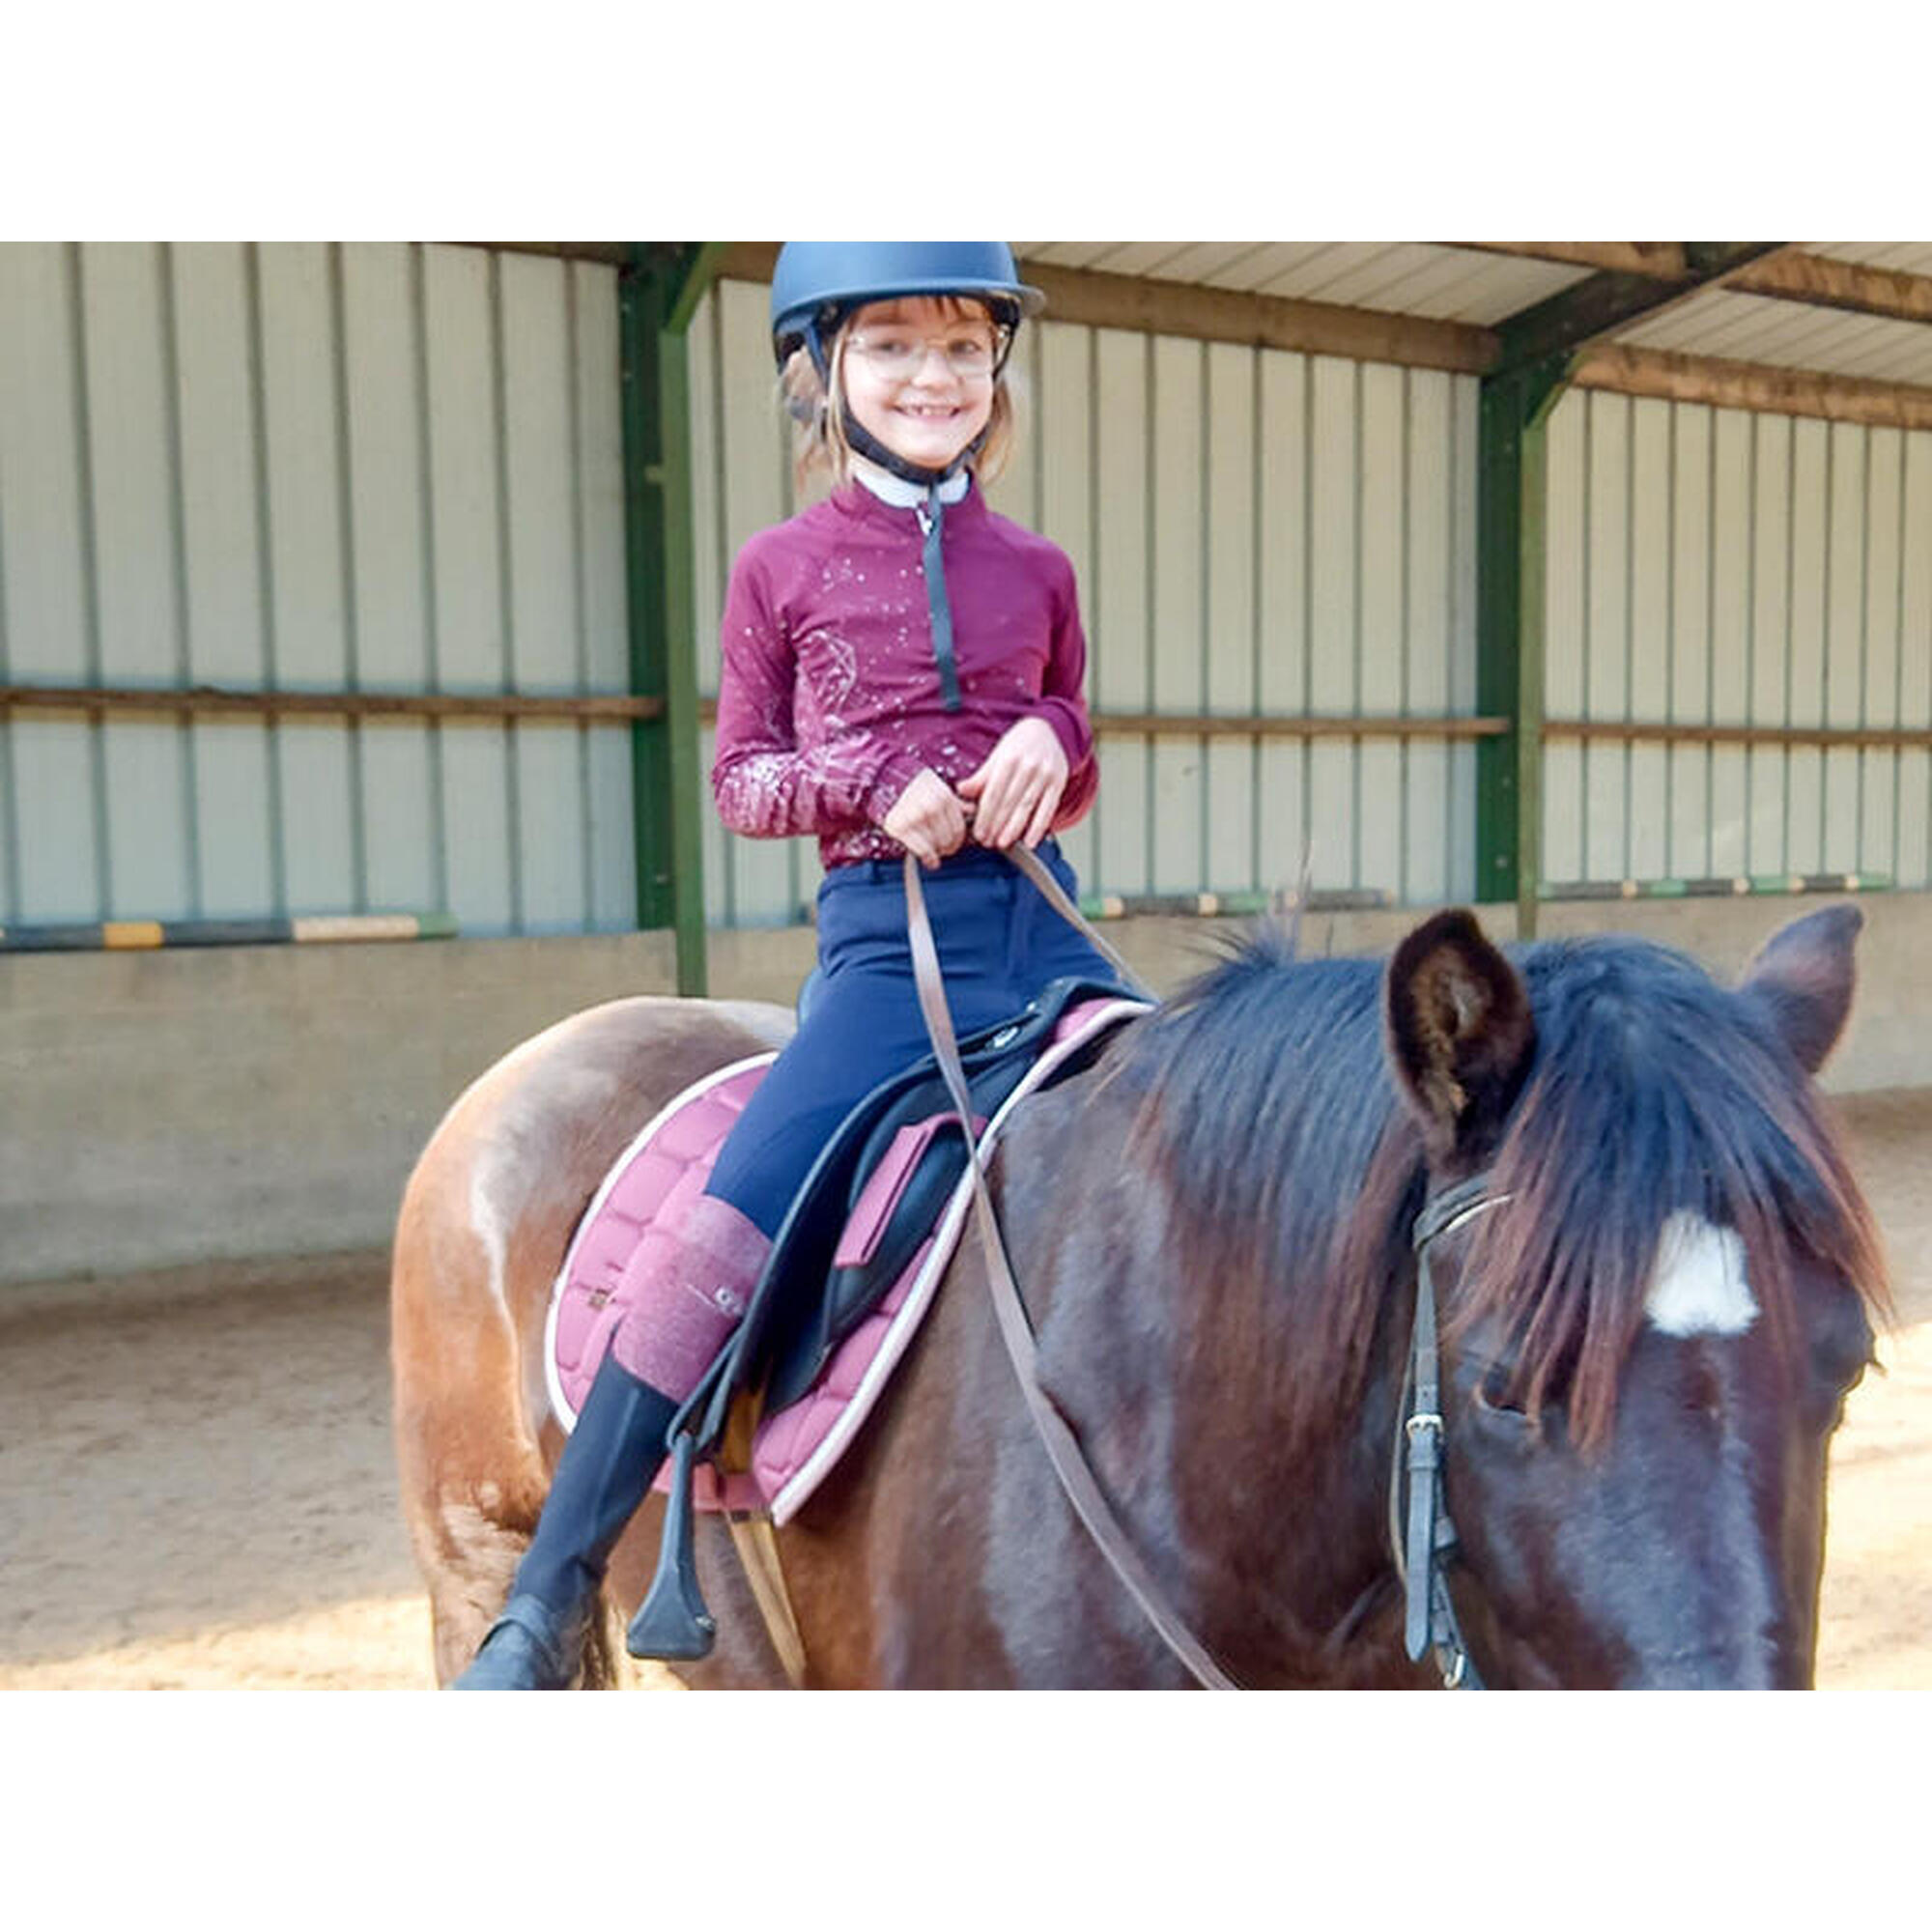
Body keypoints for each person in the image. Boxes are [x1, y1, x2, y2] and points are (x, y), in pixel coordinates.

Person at [452, 242, 1121, 1690]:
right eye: (892, 347)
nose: (932, 377)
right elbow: (743, 779)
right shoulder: (783, 568)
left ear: (996, 367)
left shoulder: (1041, 568)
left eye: (961, 347)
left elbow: (1072, 729)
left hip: (1045, 932)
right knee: (724, 1223)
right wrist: (876, 788)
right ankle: (553, 1594)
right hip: (887, 951)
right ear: (823, 372)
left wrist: (1049, 748)